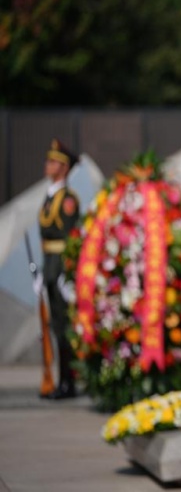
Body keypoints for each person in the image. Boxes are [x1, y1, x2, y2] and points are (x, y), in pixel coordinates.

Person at [35, 139, 81, 399]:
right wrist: (43, 273)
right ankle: (59, 380)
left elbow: (70, 238)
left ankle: (68, 382)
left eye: (53, 162)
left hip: (60, 268)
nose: (47, 165)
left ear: (64, 168)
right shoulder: (51, 196)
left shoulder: (68, 200)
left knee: (64, 327)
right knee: (55, 325)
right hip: (50, 267)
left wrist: (66, 273)